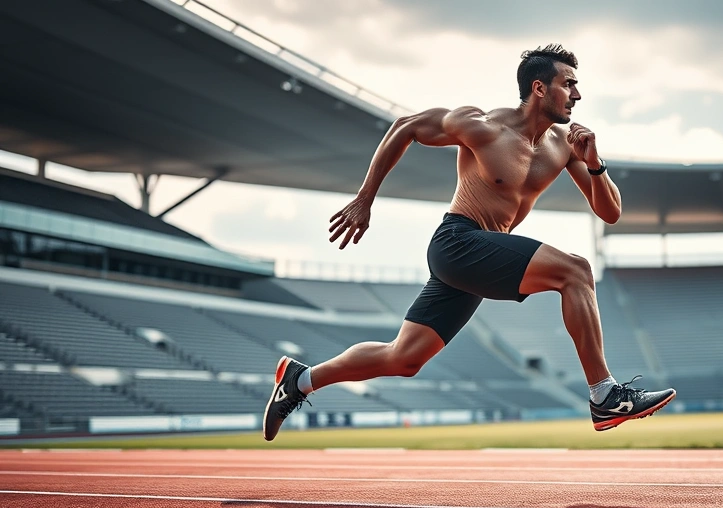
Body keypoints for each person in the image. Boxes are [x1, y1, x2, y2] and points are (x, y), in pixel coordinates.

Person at [263, 44, 675, 441]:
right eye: (569, 84)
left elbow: (610, 212)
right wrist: (364, 199)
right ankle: (604, 395)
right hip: (458, 241)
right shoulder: (483, 126)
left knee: (404, 357)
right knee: (576, 270)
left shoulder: (565, 146)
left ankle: (301, 379)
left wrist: (595, 164)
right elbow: (405, 126)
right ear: (539, 88)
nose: (577, 95)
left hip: (483, 256)